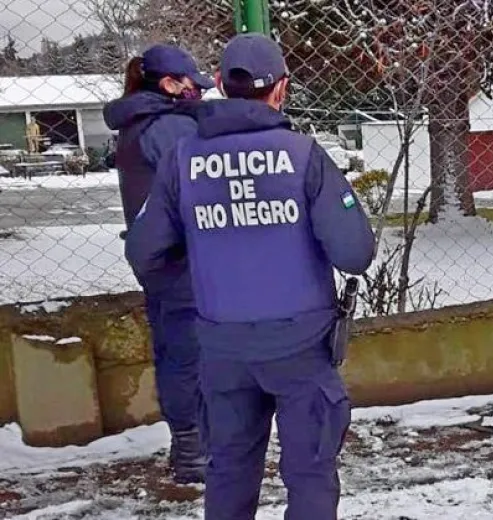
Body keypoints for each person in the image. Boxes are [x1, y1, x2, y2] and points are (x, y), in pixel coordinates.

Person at [124, 33, 375, 519]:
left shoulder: (183, 159)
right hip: (301, 347)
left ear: (219, 82)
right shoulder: (303, 155)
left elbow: (144, 250)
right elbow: (355, 253)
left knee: (229, 469)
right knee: (310, 472)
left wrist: (204, 266)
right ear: (282, 88)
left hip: (222, 348)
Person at [103, 44, 215, 484]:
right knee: (189, 353)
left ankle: (189, 446)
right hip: (181, 257)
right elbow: (199, 186)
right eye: (192, 86)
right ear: (169, 84)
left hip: (158, 258)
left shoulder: (139, 121)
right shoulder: (167, 127)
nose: (198, 93)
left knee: (175, 349)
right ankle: (194, 452)